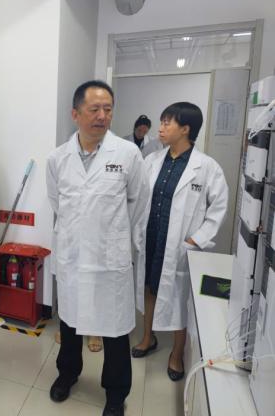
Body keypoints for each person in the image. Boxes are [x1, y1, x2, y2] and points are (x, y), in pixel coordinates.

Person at [46, 80, 149, 416]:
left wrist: (110, 232)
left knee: (115, 331)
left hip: (109, 259)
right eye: (94, 109)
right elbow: (57, 203)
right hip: (73, 257)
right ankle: (67, 374)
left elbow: (137, 203)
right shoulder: (57, 159)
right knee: (69, 324)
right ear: (75, 114)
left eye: (108, 109)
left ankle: (116, 394)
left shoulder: (127, 154)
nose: (102, 116)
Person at [131, 102, 228, 381]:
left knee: (178, 297)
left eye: (167, 123)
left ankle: (177, 353)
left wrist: (197, 239)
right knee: (150, 288)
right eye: (161, 122)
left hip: (179, 245)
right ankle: (148, 337)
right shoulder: (152, 160)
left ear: (185, 129)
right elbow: (140, 198)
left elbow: (219, 208)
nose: (160, 128)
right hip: (153, 237)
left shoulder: (207, 167)